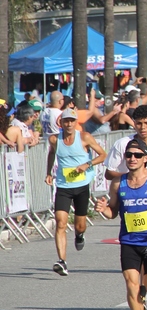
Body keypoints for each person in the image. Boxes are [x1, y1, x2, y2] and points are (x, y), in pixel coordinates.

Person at [94, 139, 147, 310]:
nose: (132, 158)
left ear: (146, 159)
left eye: (137, 155)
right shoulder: (118, 183)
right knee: (131, 284)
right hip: (129, 241)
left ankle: (144, 289)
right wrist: (103, 209)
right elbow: (113, 212)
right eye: (129, 155)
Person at [45, 108, 108, 276]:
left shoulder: (84, 137)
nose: (69, 124)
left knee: (80, 225)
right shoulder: (54, 139)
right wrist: (48, 172)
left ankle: (80, 235)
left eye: (72, 121)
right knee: (60, 222)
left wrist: (87, 165)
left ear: (76, 123)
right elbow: (51, 154)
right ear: (61, 123)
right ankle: (62, 261)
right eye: (66, 121)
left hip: (81, 186)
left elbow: (102, 155)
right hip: (63, 186)